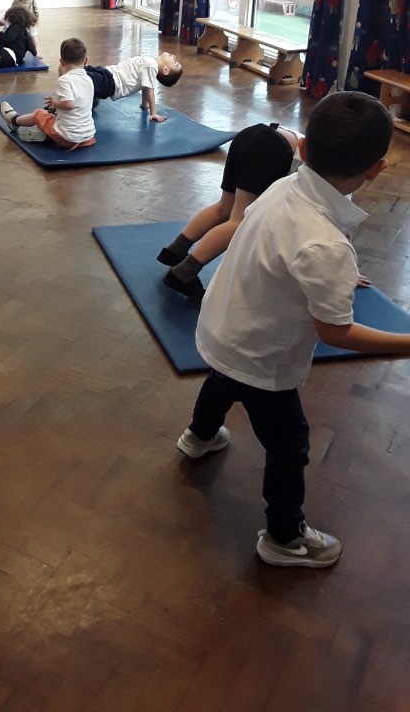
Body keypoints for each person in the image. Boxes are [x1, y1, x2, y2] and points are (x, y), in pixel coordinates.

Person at [177, 91, 410, 569]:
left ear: (302, 148)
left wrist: (334, 274)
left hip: (221, 329)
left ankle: (199, 437)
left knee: (221, 382)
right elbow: (335, 332)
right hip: (261, 359)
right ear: (377, 169)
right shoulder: (324, 244)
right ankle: (284, 538)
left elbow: (291, 250)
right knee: (289, 444)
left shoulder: (283, 186)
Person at [159, 122, 302, 302]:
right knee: (240, 221)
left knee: (224, 207)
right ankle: (183, 274)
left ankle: (174, 251)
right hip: (270, 148)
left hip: (252, 134)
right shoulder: (323, 166)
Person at [0, 37, 95, 148]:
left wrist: (55, 102)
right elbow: (79, 103)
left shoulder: (65, 80)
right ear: (86, 60)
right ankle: (46, 136)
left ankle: (14, 121)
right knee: (55, 117)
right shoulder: (88, 79)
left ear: (61, 62)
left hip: (68, 137)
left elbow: (69, 104)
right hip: (87, 137)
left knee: (38, 114)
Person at [85, 53, 183, 122]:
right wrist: (144, 105)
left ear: (166, 70)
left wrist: (153, 113)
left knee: (81, 78)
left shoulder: (152, 66)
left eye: (176, 63)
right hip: (108, 72)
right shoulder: (151, 63)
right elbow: (145, 87)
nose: (174, 56)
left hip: (110, 83)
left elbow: (149, 90)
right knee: (82, 70)